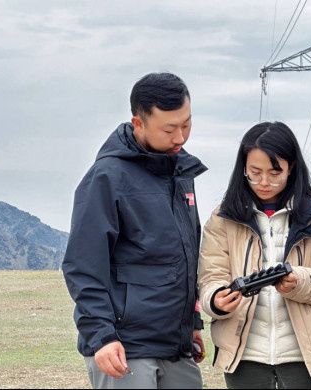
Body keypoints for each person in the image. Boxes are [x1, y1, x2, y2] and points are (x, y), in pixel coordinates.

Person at [62, 73, 207, 389]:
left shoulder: (181, 173)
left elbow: (187, 253)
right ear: (138, 124)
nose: (180, 137)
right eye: (169, 129)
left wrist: (192, 323)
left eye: (186, 124)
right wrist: (102, 337)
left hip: (176, 344)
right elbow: (83, 266)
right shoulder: (106, 178)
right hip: (125, 345)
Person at [199, 122, 311, 389]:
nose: (264, 182)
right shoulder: (222, 218)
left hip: (305, 356)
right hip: (244, 356)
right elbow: (210, 276)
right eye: (255, 173)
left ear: (291, 168)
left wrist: (300, 281)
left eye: (275, 173)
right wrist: (216, 299)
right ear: (242, 167)